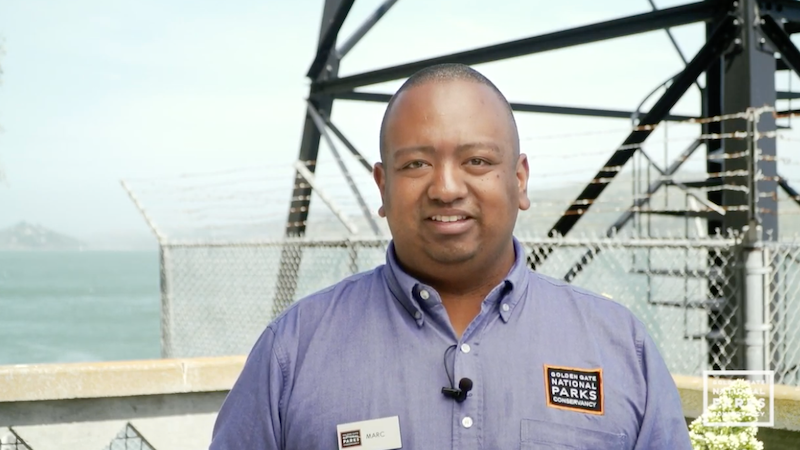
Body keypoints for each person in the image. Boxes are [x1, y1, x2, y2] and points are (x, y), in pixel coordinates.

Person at [209, 63, 692, 450]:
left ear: (519, 180)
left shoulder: (619, 347)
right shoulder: (292, 352)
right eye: (416, 164)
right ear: (383, 186)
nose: (445, 188)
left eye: (477, 161)